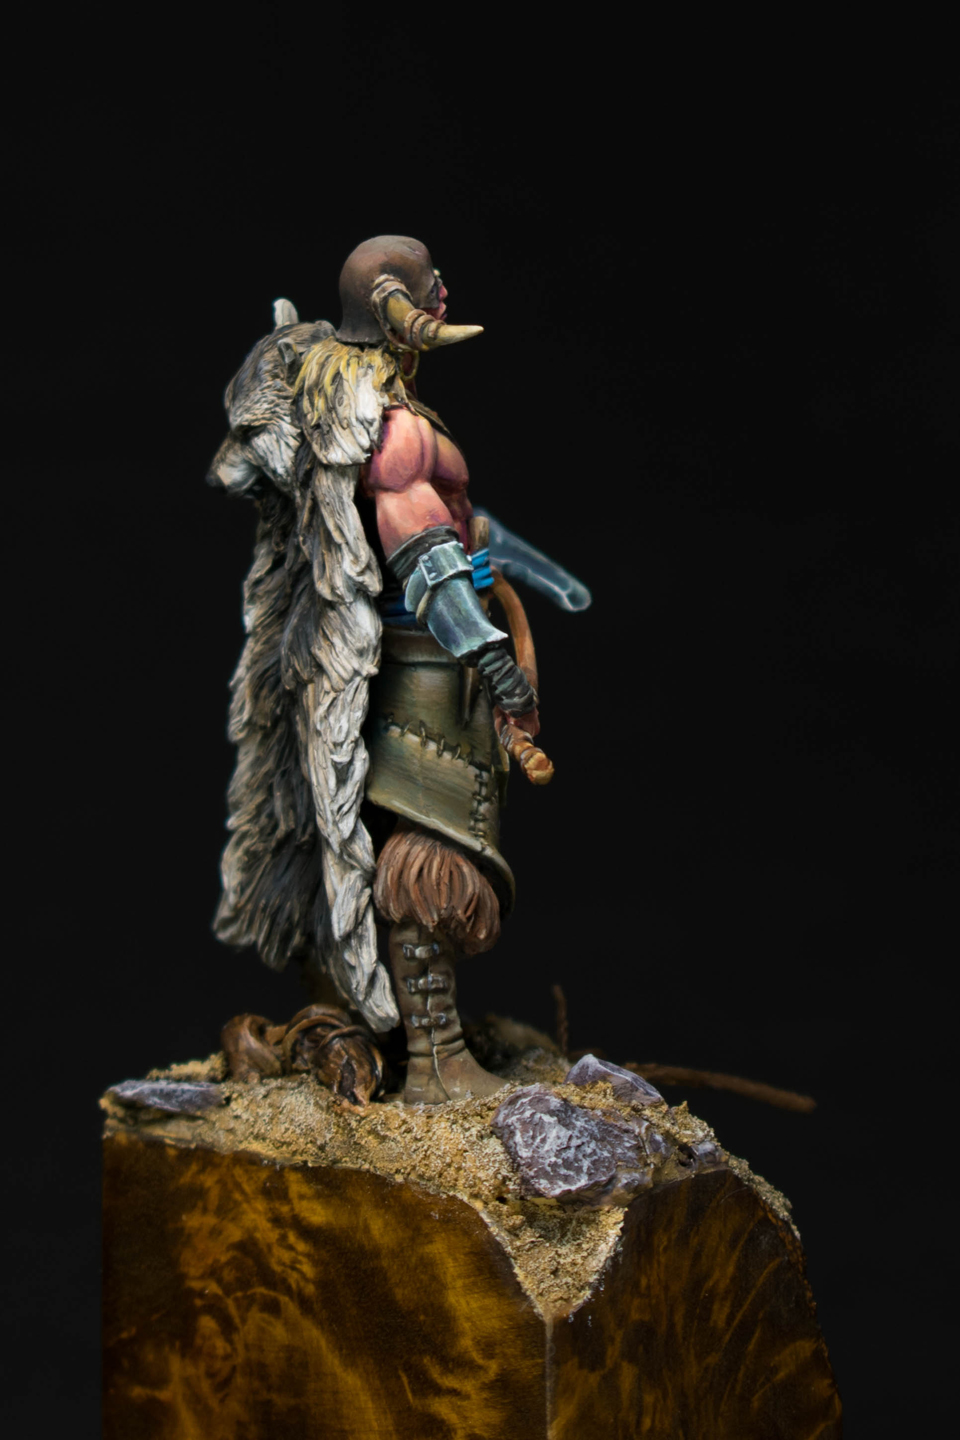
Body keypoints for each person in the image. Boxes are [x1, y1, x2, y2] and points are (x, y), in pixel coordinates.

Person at [209, 236, 542, 1102]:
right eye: (432, 282)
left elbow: (454, 529)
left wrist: (523, 571)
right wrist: (489, 655)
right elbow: (423, 553)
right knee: (430, 864)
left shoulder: (379, 396)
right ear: (397, 302)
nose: (445, 290)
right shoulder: (391, 429)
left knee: (408, 849)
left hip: (420, 659)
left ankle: (392, 1032)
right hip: (423, 667)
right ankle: (435, 1061)